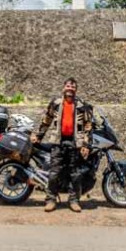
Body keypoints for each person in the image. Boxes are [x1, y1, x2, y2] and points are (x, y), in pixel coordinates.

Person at [31, 77, 93, 213]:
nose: (70, 89)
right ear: (64, 88)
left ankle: (74, 201)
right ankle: (51, 200)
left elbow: (88, 126)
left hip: (75, 143)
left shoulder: (82, 105)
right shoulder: (56, 103)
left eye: (73, 87)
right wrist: (39, 136)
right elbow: (46, 120)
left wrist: (85, 145)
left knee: (75, 174)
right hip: (58, 142)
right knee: (54, 173)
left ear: (76, 90)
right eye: (68, 86)